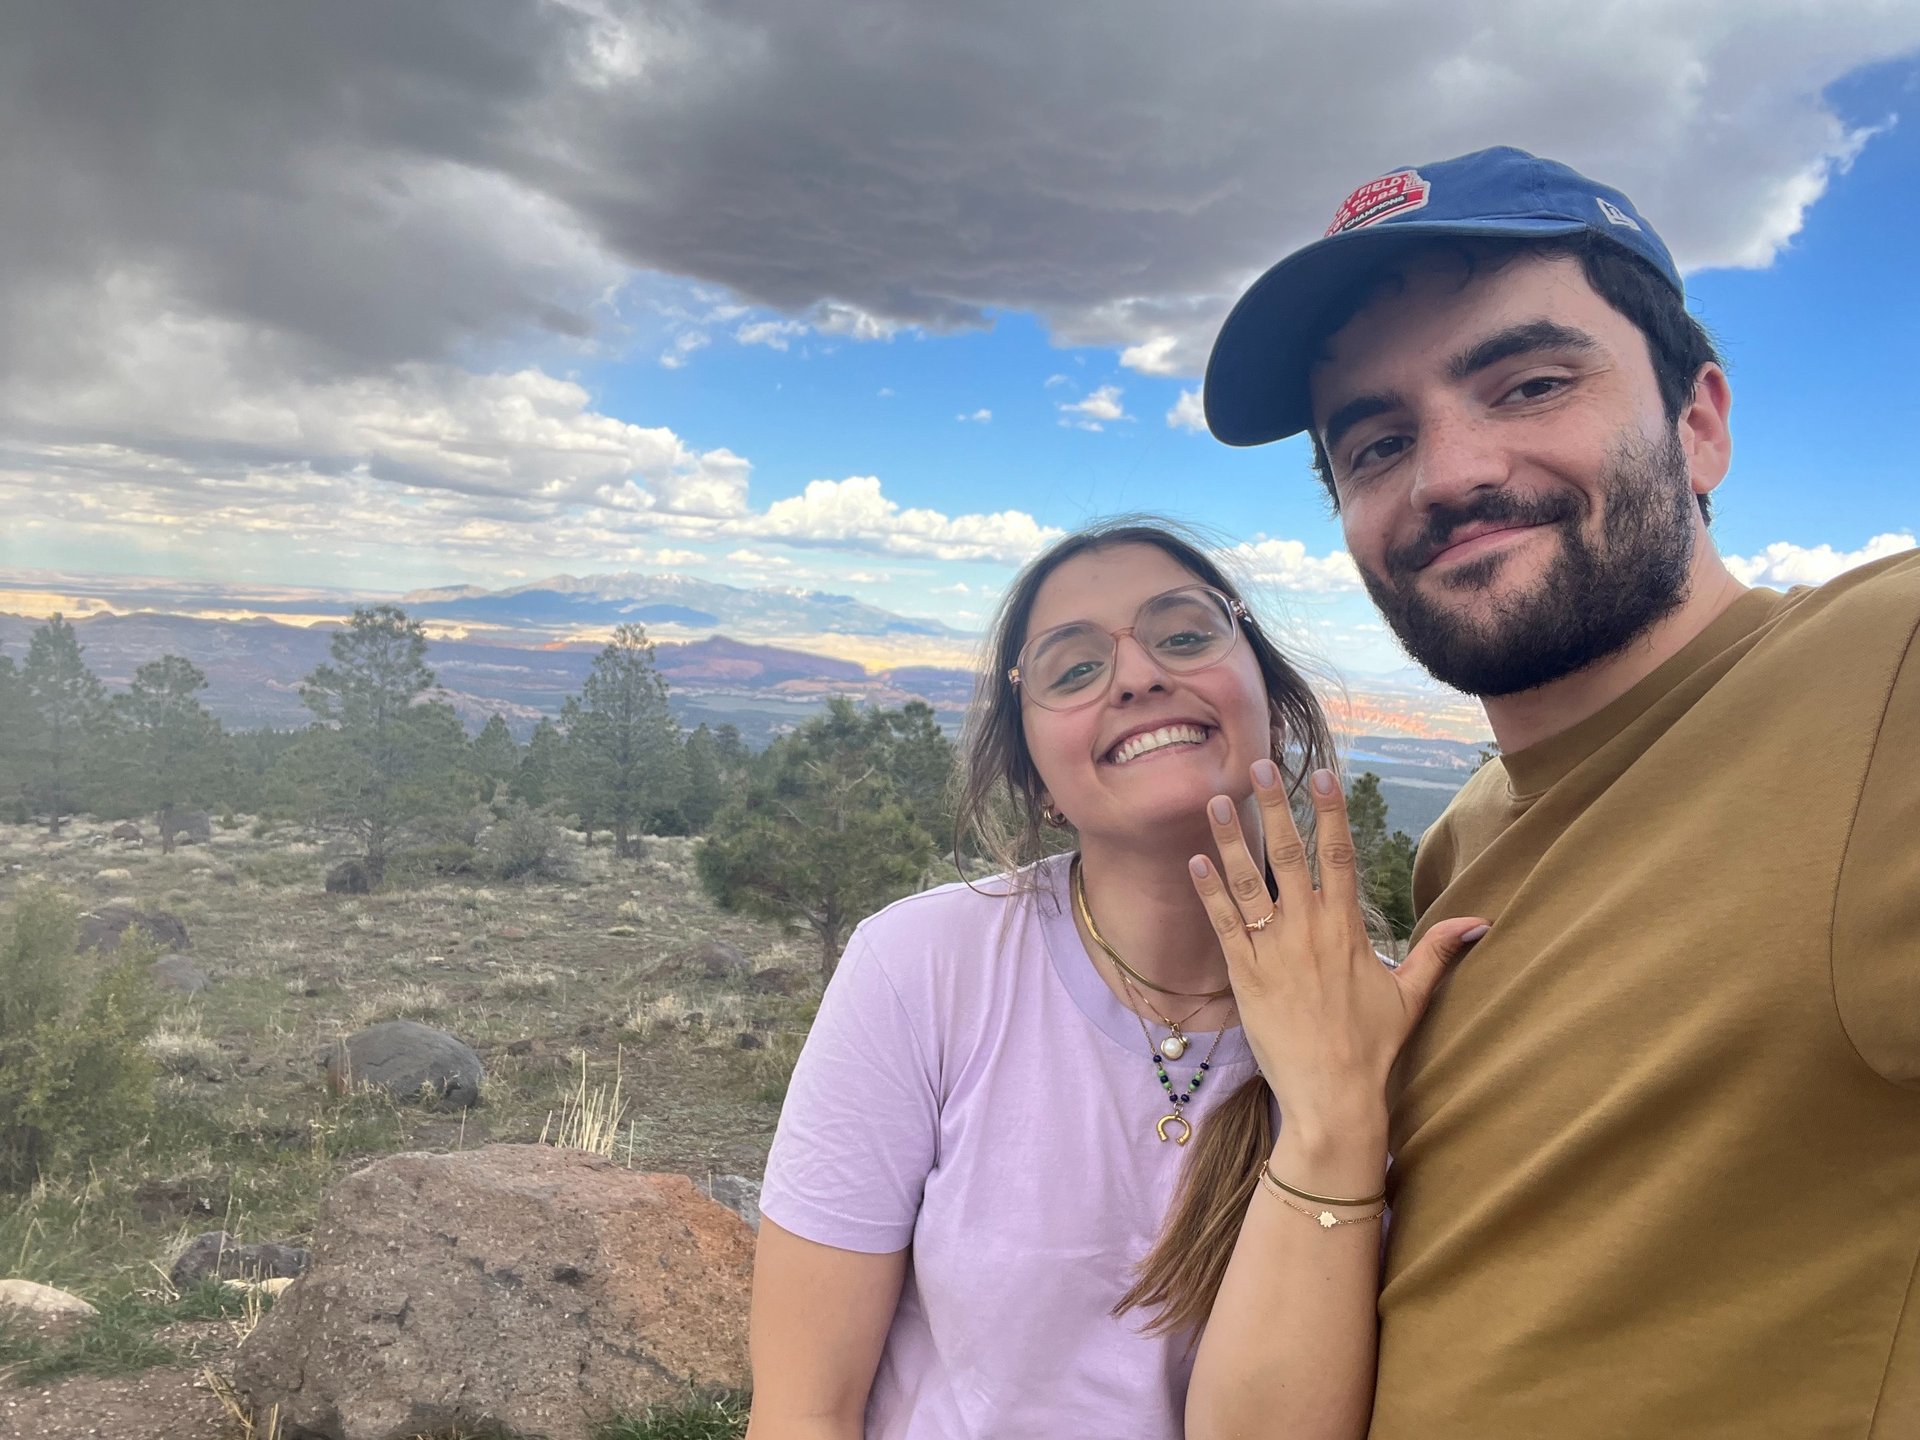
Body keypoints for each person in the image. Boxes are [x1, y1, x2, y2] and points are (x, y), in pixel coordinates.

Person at [1182, 146, 1920, 1438]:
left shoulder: (1885, 667)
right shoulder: (1465, 840)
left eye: (1528, 383)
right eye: (1377, 442)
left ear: (1699, 424)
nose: (1449, 473)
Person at [744, 519, 1474, 1438]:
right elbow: (803, 1411)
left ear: (1274, 704)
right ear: (1038, 780)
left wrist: (1336, 1114)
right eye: (1074, 669)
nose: (1135, 676)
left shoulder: (1394, 1031)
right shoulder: (919, 968)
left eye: (1185, 634)